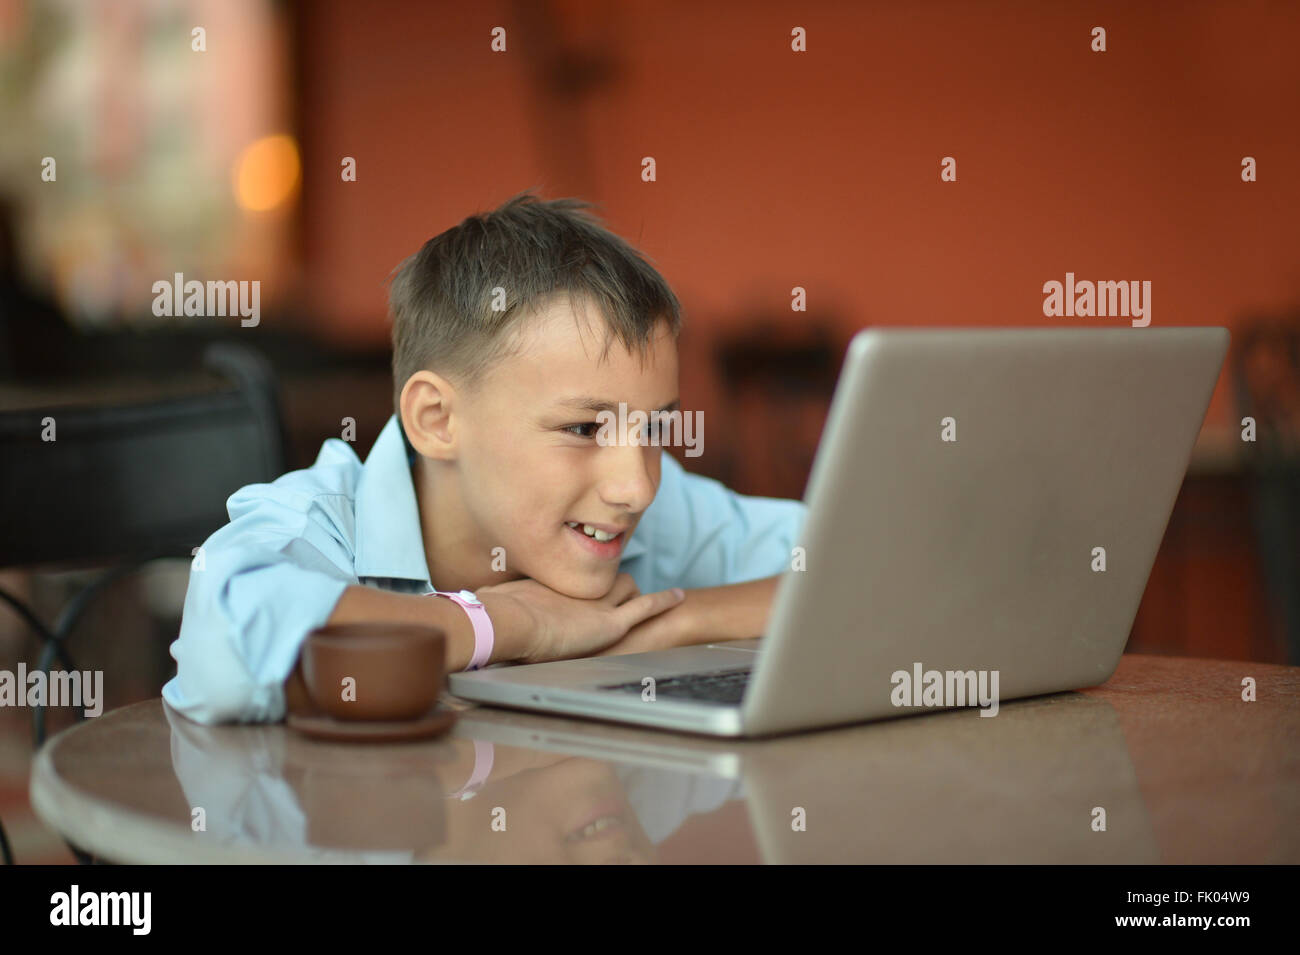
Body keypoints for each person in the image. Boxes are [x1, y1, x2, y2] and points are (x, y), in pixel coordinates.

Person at [162, 192, 806, 724]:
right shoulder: (323, 526)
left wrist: (671, 622)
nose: (635, 486)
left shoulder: (656, 517)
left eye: (653, 427)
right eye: (584, 427)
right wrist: (509, 624)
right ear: (437, 421)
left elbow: (872, 562)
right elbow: (227, 652)